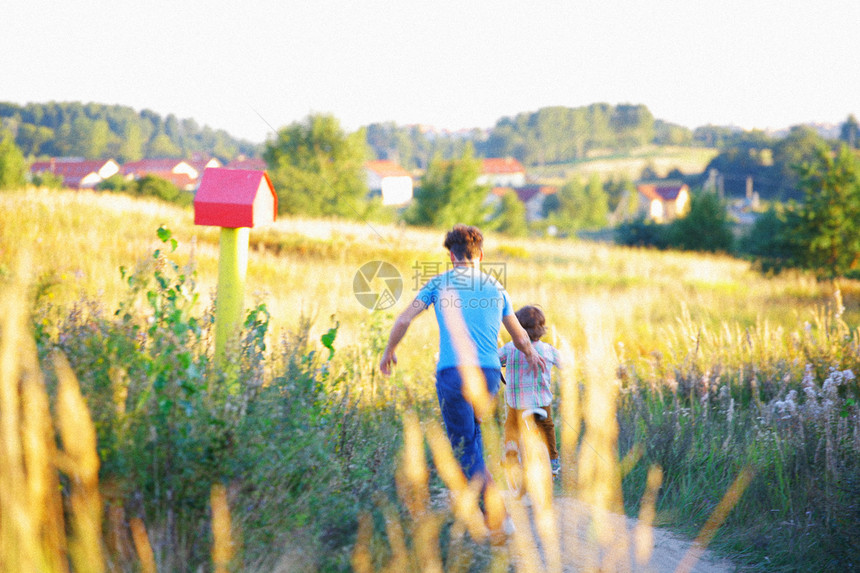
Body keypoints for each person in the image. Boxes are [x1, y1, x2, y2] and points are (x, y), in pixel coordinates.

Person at [379, 224, 545, 533]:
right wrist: (533, 357)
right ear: (480, 255)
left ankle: (496, 511)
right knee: (473, 434)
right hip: (491, 373)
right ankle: (481, 508)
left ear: (451, 257)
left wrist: (389, 351)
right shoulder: (496, 287)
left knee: (463, 443)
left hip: (453, 373)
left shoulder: (438, 284)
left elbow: (404, 318)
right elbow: (520, 336)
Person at [498, 305, 562, 478]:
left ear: (517, 329)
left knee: (511, 427)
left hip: (517, 403)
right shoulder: (548, 350)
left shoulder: (510, 349)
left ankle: (510, 454)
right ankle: (553, 460)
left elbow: (495, 361)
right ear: (542, 330)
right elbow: (566, 365)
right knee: (548, 427)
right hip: (542, 402)